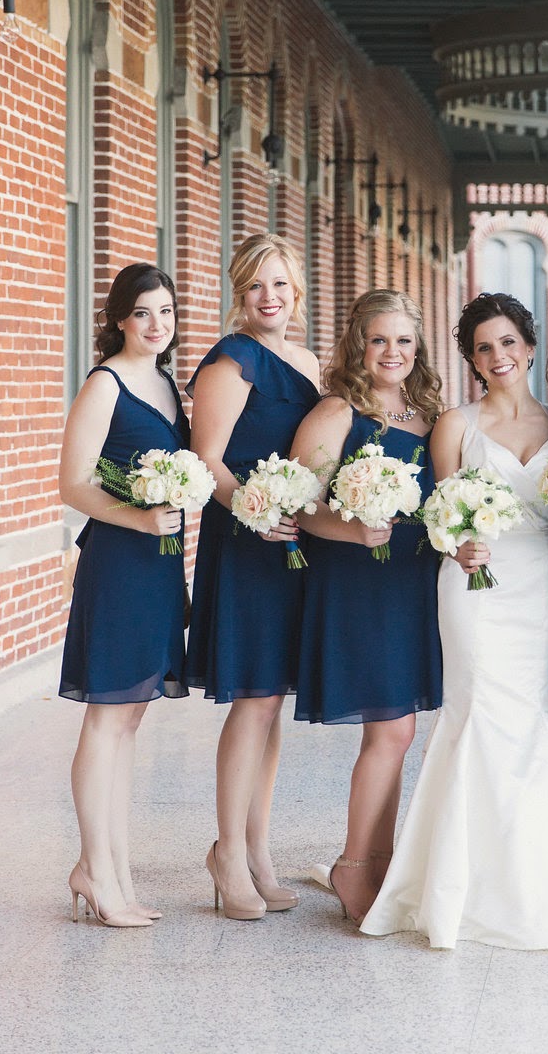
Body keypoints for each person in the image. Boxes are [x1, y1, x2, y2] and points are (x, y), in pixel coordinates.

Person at [361, 293, 548, 950]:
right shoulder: (455, 425)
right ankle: (454, 883)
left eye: (508, 343)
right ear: (471, 359)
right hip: (472, 583)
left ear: (530, 346)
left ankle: (528, 879)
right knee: (477, 713)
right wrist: (457, 545)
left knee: (523, 717)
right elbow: (437, 517)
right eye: (484, 348)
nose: (498, 357)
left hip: (539, 584)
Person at [292, 290, 443, 926]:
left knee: (397, 728)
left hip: (413, 583)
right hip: (359, 581)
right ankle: (354, 863)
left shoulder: (429, 415)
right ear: (359, 344)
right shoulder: (337, 412)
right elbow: (300, 504)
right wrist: (354, 531)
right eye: (379, 339)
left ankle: (379, 861)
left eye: (403, 340)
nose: (392, 352)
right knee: (392, 728)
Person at [187, 234, 320, 921]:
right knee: (254, 700)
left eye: (279, 284)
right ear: (239, 293)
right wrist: (257, 513)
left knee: (272, 704)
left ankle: (258, 850)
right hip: (246, 542)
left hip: (293, 546)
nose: (269, 297)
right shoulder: (230, 361)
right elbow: (206, 458)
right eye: (255, 286)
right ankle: (228, 854)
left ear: (297, 291)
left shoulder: (307, 361)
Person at [59, 263, 188, 928]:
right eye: (142, 312)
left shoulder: (166, 383)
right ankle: (92, 867)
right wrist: (139, 518)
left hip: (160, 567)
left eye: (165, 311)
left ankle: (117, 870)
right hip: (118, 564)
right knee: (106, 719)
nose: (156, 323)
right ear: (119, 319)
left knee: (131, 718)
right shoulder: (104, 384)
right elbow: (73, 482)